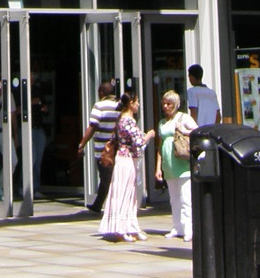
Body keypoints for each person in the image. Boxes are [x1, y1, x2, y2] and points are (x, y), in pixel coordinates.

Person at [98, 90, 154, 241]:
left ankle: (130, 226)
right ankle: (122, 228)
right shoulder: (127, 121)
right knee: (125, 193)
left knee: (127, 193)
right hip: (126, 159)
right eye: (136, 102)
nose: (138, 105)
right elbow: (139, 141)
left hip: (124, 158)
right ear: (130, 104)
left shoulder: (120, 119)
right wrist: (149, 135)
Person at [155, 91, 196, 242]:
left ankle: (188, 228)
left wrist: (184, 130)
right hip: (169, 165)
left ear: (176, 105)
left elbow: (197, 131)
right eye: (164, 103)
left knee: (186, 198)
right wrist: (158, 167)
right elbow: (160, 146)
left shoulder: (183, 117)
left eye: (169, 104)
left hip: (183, 163)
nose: (166, 106)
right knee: (174, 198)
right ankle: (177, 226)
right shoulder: (162, 122)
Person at [77, 78, 121, 213]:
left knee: (106, 179)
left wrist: (82, 144)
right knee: (109, 179)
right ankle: (98, 204)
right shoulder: (119, 106)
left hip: (103, 151)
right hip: (117, 150)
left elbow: (92, 126)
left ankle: (108, 206)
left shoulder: (99, 106)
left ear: (101, 93)